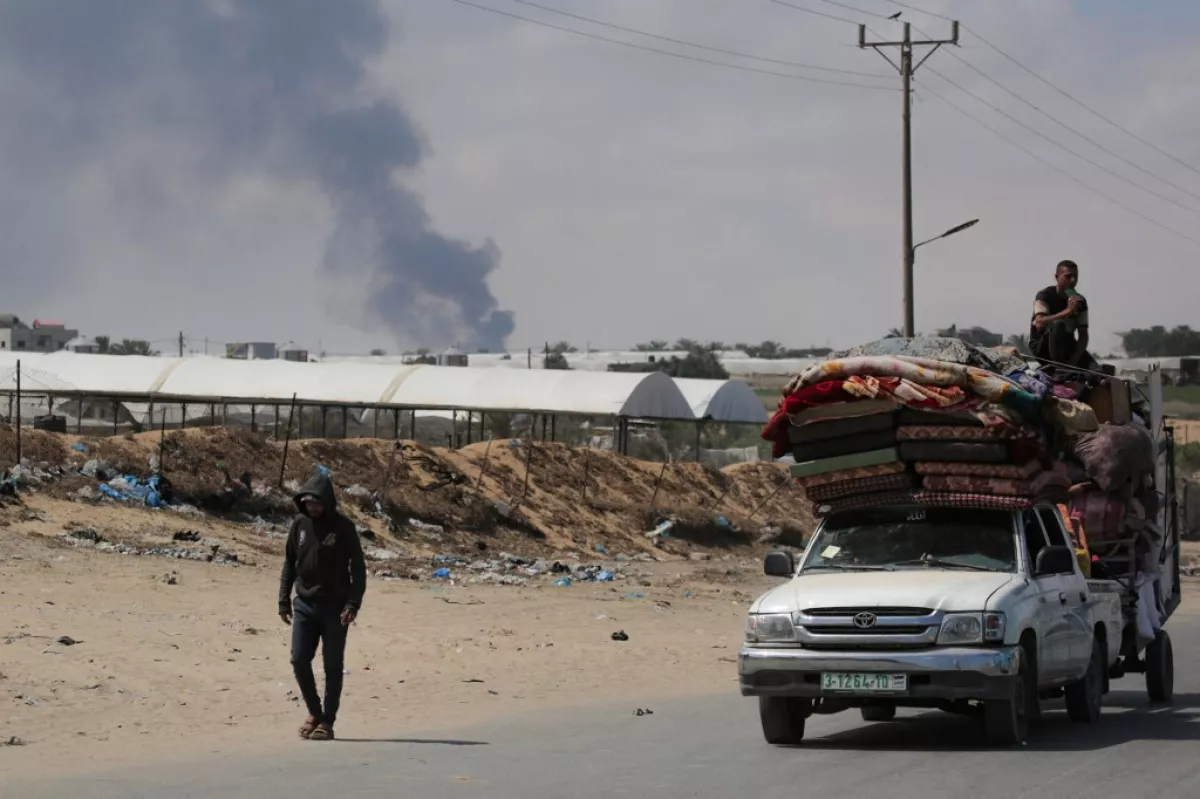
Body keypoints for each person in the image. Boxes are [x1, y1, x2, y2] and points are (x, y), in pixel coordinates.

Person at [278, 471, 366, 741]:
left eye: (316, 503)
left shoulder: (344, 527)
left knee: (332, 666)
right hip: (304, 604)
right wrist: (283, 599)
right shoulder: (299, 524)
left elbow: (358, 569)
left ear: (327, 502)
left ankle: (328, 721)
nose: (312, 508)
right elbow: (289, 563)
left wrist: (353, 604)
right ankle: (315, 712)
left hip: (335, 608)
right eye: (307, 503)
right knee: (298, 659)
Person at [1029, 260, 1092, 368]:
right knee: (1058, 324)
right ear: (1057, 277)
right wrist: (1067, 312)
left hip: (1067, 345)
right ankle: (1058, 368)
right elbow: (1039, 323)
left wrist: (1074, 360)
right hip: (1043, 346)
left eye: (1075, 276)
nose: (1073, 280)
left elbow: (1083, 335)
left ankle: (1067, 368)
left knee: (1099, 370)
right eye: (1068, 276)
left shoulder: (1080, 301)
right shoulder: (1045, 295)